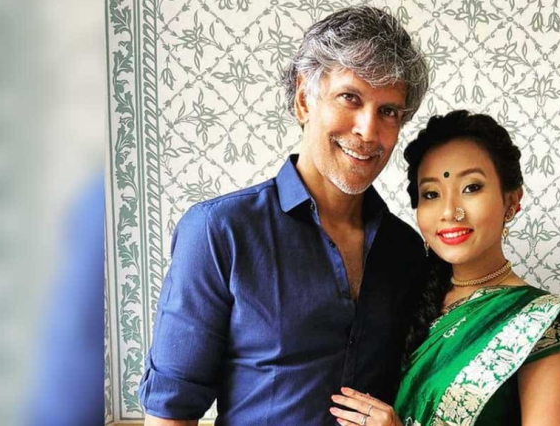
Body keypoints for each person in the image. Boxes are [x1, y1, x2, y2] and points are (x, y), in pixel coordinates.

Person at [138, 6, 429, 425]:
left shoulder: (406, 249)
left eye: (388, 111)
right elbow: (171, 411)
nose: (368, 131)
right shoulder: (219, 232)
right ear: (304, 100)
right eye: (350, 98)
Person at [330, 110, 560, 426]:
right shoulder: (403, 297)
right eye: (431, 194)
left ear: (512, 200)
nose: (450, 212)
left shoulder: (539, 327)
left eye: (471, 188)